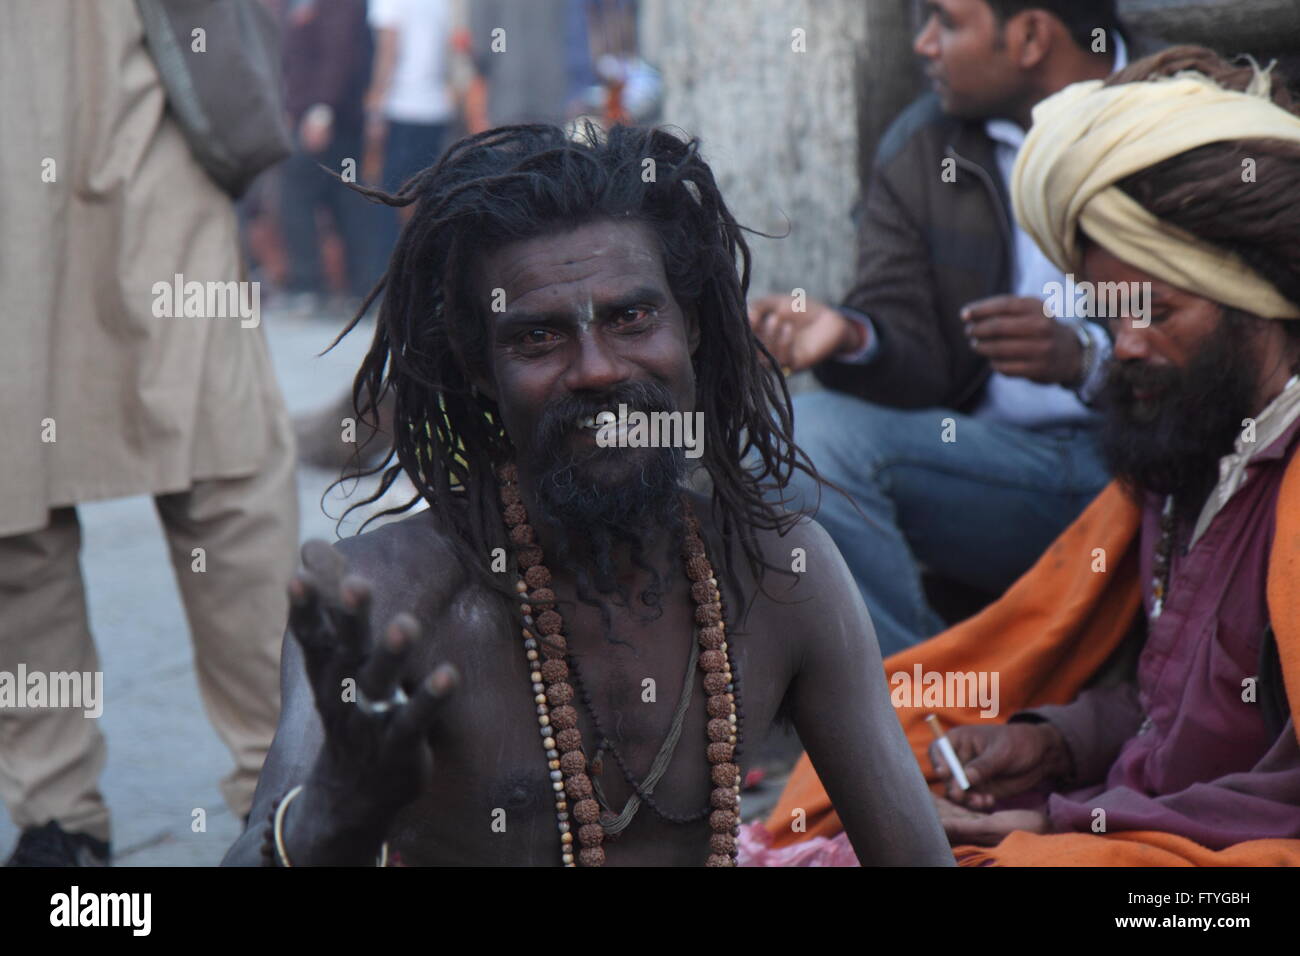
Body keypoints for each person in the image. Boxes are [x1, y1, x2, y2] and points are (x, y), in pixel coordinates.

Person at [222, 124, 952, 866]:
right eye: (538, 338)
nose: (598, 370)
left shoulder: (784, 574)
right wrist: (324, 825)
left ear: (691, 327)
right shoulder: (387, 600)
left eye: (631, 317)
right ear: (480, 370)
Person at [755, 46, 1300, 866]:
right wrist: (1049, 743)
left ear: (1256, 304)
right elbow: (1184, 712)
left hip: (1202, 866)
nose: (1124, 347)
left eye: (1154, 312)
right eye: (1108, 314)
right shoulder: (1190, 452)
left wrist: (1063, 827)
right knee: (860, 791)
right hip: (1120, 812)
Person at [748, 0, 1143, 656]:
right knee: (793, 442)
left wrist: (1086, 360)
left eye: (948, 23)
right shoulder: (924, 143)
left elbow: (1233, 338)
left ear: (1031, 36)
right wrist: (850, 336)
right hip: (998, 468)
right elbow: (911, 345)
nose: (924, 45)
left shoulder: (1174, 122)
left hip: (1148, 471)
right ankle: (926, 711)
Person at [0, 0, 298, 865]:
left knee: (29, 489)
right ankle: (284, 786)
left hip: (123, 112)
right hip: (139, 106)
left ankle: (66, 816)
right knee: (222, 465)